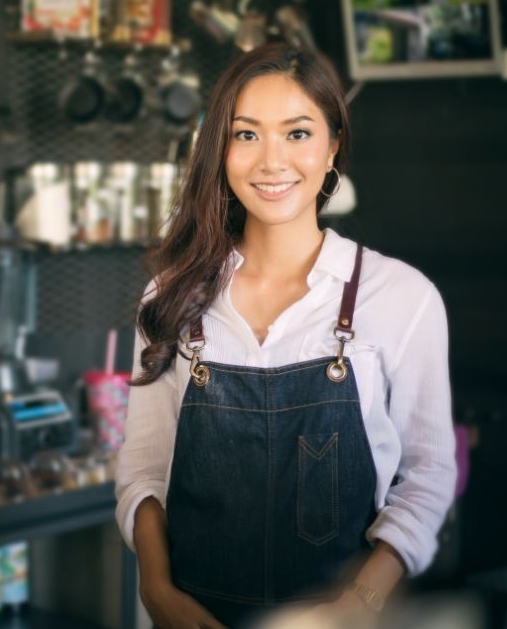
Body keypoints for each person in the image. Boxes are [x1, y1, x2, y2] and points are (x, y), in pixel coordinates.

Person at [114, 43, 457, 629]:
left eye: (297, 133)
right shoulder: (171, 294)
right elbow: (143, 466)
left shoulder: (400, 297)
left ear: (333, 149)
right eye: (246, 135)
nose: (271, 161)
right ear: (219, 149)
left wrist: (358, 604)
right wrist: (156, 588)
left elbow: (428, 477)